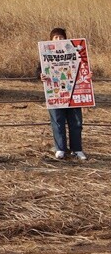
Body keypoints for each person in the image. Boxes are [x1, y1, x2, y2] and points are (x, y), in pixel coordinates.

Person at [39, 27, 87, 161]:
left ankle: (77, 149)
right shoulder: (45, 53)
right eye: (56, 37)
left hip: (73, 93)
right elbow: (39, 70)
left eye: (61, 37)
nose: (58, 39)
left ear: (66, 39)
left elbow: (83, 66)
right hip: (55, 95)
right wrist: (40, 76)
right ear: (51, 39)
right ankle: (60, 149)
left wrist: (87, 74)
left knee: (76, 122)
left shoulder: (75, 51)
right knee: (57, 121)